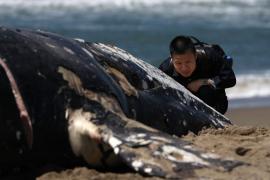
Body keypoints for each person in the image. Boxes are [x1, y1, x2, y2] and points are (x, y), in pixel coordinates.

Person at [159, 35, 236, 114]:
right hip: (186, 104)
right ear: (172, 58)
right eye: (178, 63)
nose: (184, 68)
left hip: (216, 102)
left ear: (195, 56)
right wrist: (186, 86)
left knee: (205, 90)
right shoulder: (166, 68)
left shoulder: (210, 56)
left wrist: (204, 82)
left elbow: (230, 79)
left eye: (188, 62)